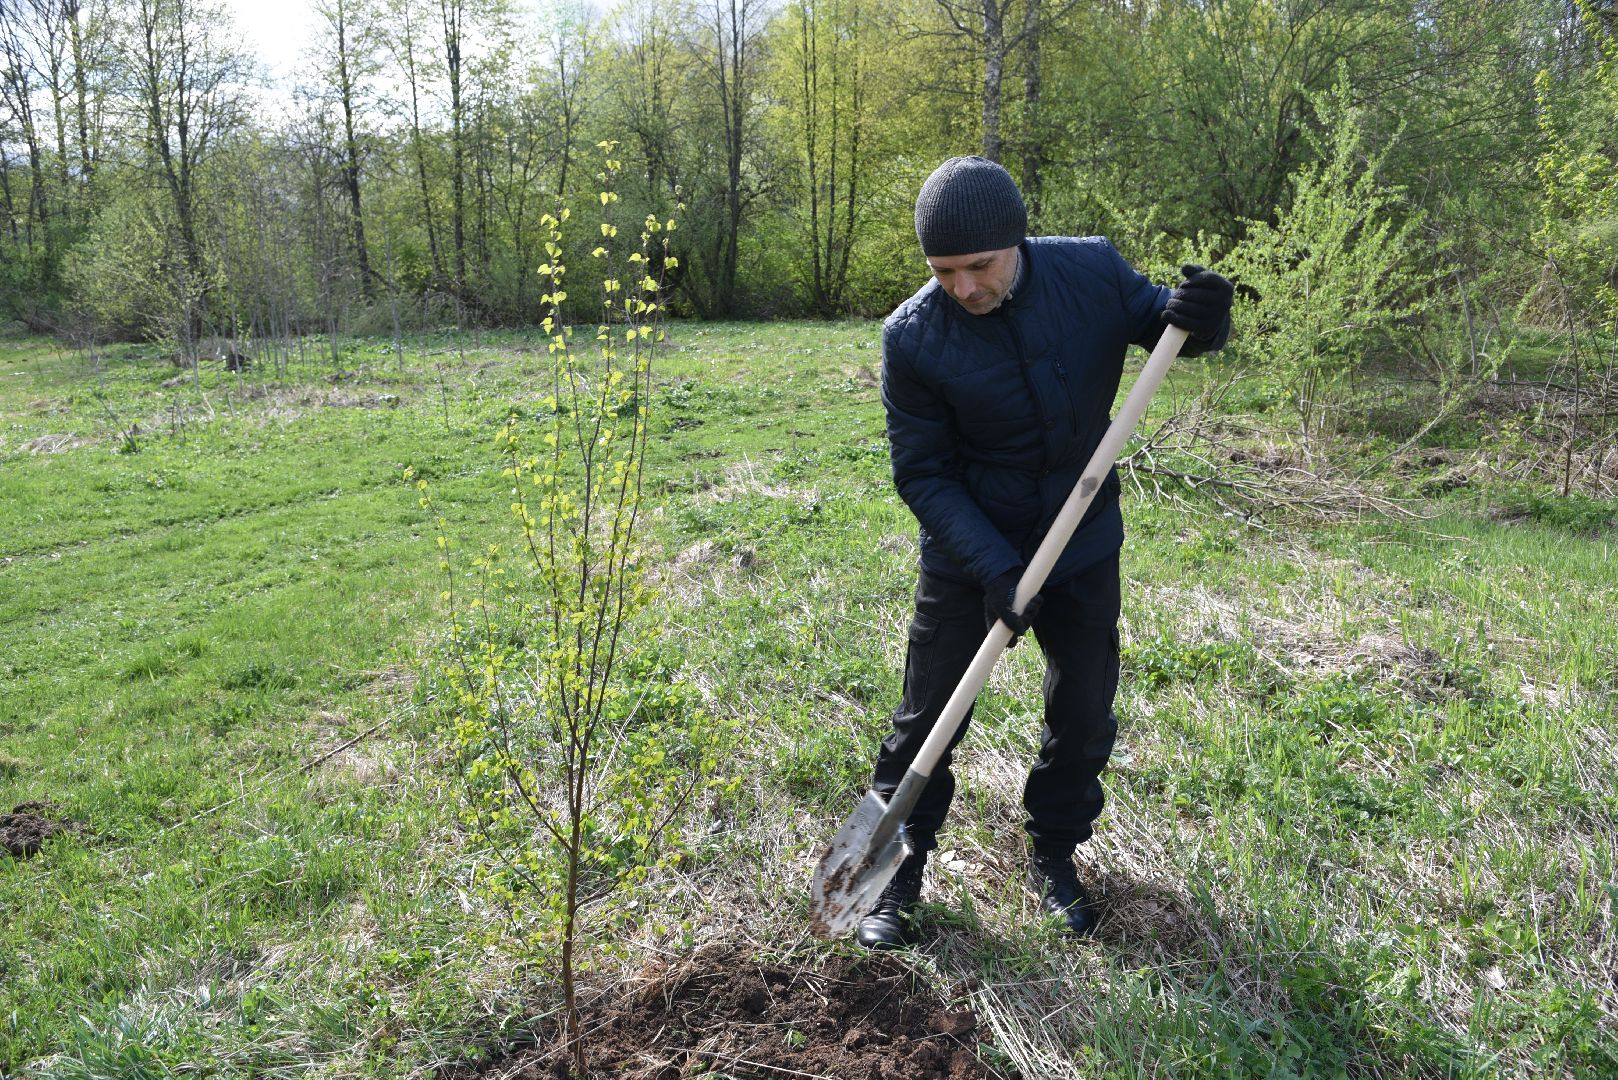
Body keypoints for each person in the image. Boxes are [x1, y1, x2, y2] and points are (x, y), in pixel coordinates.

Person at [856, 156, 1233, 949]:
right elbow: (923, 474)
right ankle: (890, 877)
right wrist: (994, 567)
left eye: (979, 265)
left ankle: (1056, 855)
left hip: (1081, 535)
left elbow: (1167, 327)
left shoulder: (1089, 270)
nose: (963, 286)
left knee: (1085, 704)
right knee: (928, 716)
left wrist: (1206, 315)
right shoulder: (913, 338)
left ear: (1016, 242)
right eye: (944, 270)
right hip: (972, 550)